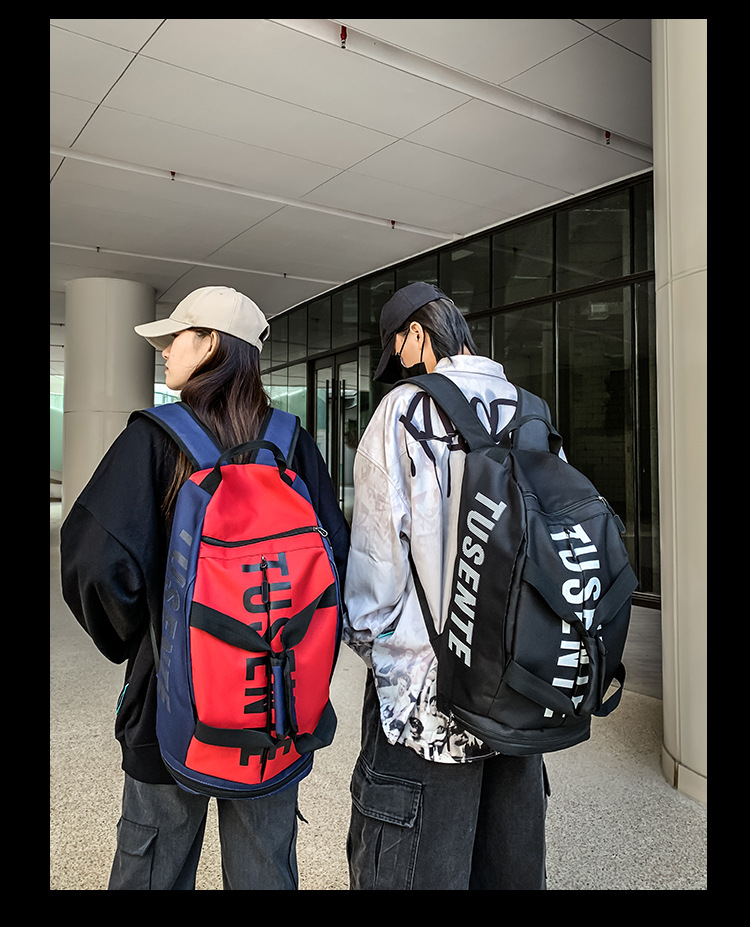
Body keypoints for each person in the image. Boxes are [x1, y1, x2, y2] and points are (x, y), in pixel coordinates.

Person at [60, 285, 349, 891]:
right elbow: (336, 561)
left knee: (153, 866)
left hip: (168, 709)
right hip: (274, 706)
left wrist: (143, 635)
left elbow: (94, 561)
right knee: (266, 868)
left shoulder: (153, 438)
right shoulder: (292, 444)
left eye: (176, 338)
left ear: (211, 342)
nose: (165, 351)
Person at [343, 282, 549, 890]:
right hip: (520, 688)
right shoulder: (528, 409)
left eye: (398, 351)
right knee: (508, 870)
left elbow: (375, 569)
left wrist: (379, 653)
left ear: (416, 334)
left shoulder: (403, 412)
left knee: (415, 870)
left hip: (429, 694)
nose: (403, 368)